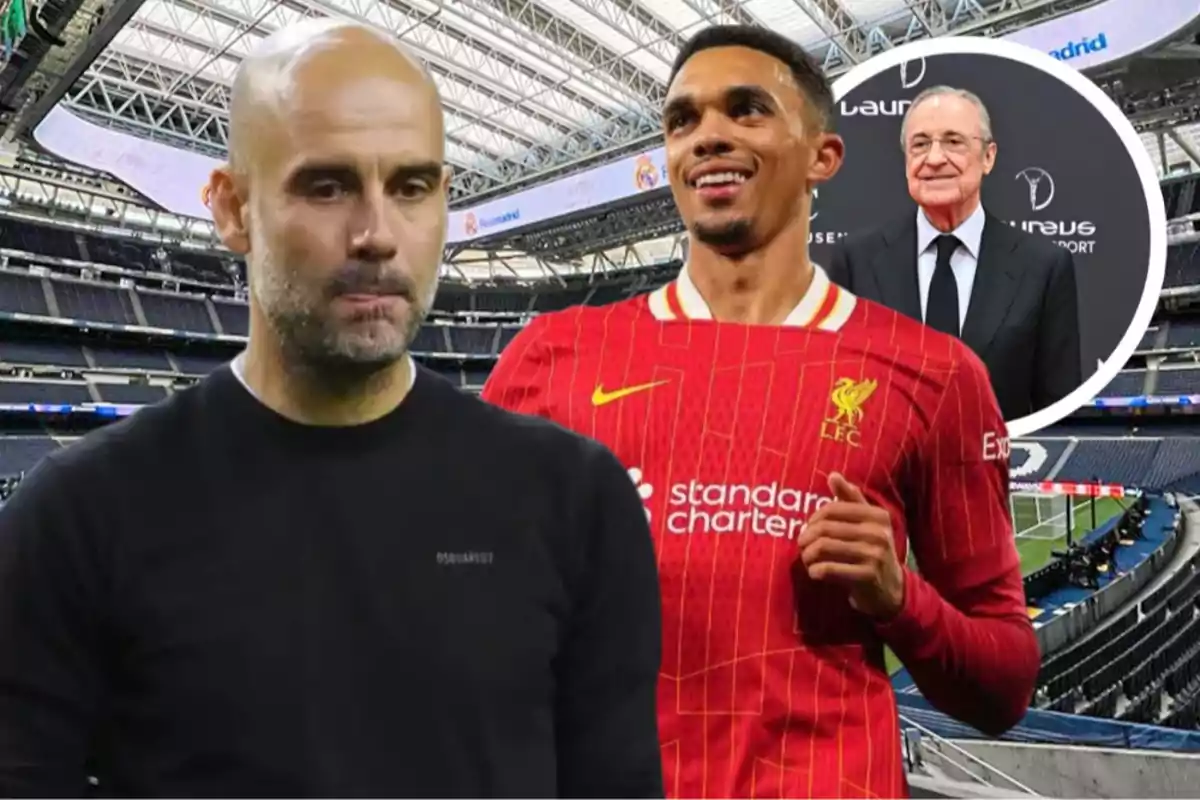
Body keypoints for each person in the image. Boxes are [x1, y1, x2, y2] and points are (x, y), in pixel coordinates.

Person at [0, 20, 665, 798]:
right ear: (231, 208)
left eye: (411, 187)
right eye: (326, 185)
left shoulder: (575, 501)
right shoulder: (78, 517)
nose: (377, 234)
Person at [484, 26, 1039, 800]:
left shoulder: (935, 374)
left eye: (746, 111)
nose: (708, 135)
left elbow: (1004, 684)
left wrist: (898, 598)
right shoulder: (550, 359)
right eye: (683, 120)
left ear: (823, 156)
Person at [827, 85, 1082, 422]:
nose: (934, 159)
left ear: (988, 157)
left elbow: (1059, 410)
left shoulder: (1044, 266)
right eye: (920, 144)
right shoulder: (854, 261)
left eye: (953, 142)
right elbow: (836, 395)